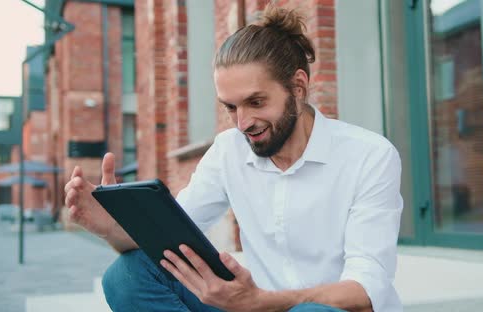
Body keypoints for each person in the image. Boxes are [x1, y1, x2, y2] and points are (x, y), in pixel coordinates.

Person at [65, 4, 403, 312]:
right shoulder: (229, 149)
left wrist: (259, 301)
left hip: (324, 309)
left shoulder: (369, 155)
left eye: (256, 102)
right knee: (127, 275)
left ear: (298, 88)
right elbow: (171, 241)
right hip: (251, 304)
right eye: (231, 107)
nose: (243, 123)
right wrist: (112, 228)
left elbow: (364, 291)